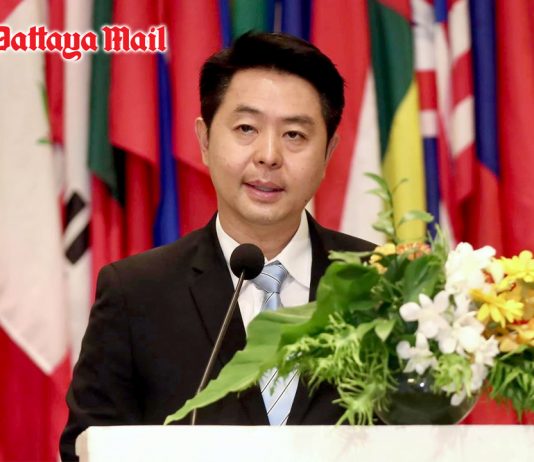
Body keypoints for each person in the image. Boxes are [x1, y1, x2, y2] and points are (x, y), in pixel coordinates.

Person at [60, 31, 375, 461]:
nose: (268, 155)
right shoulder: (136, 294)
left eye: (294, 135)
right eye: (246, 128)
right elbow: (87, 448)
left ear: (329, 152)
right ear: (205, 140)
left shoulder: (381, 284)